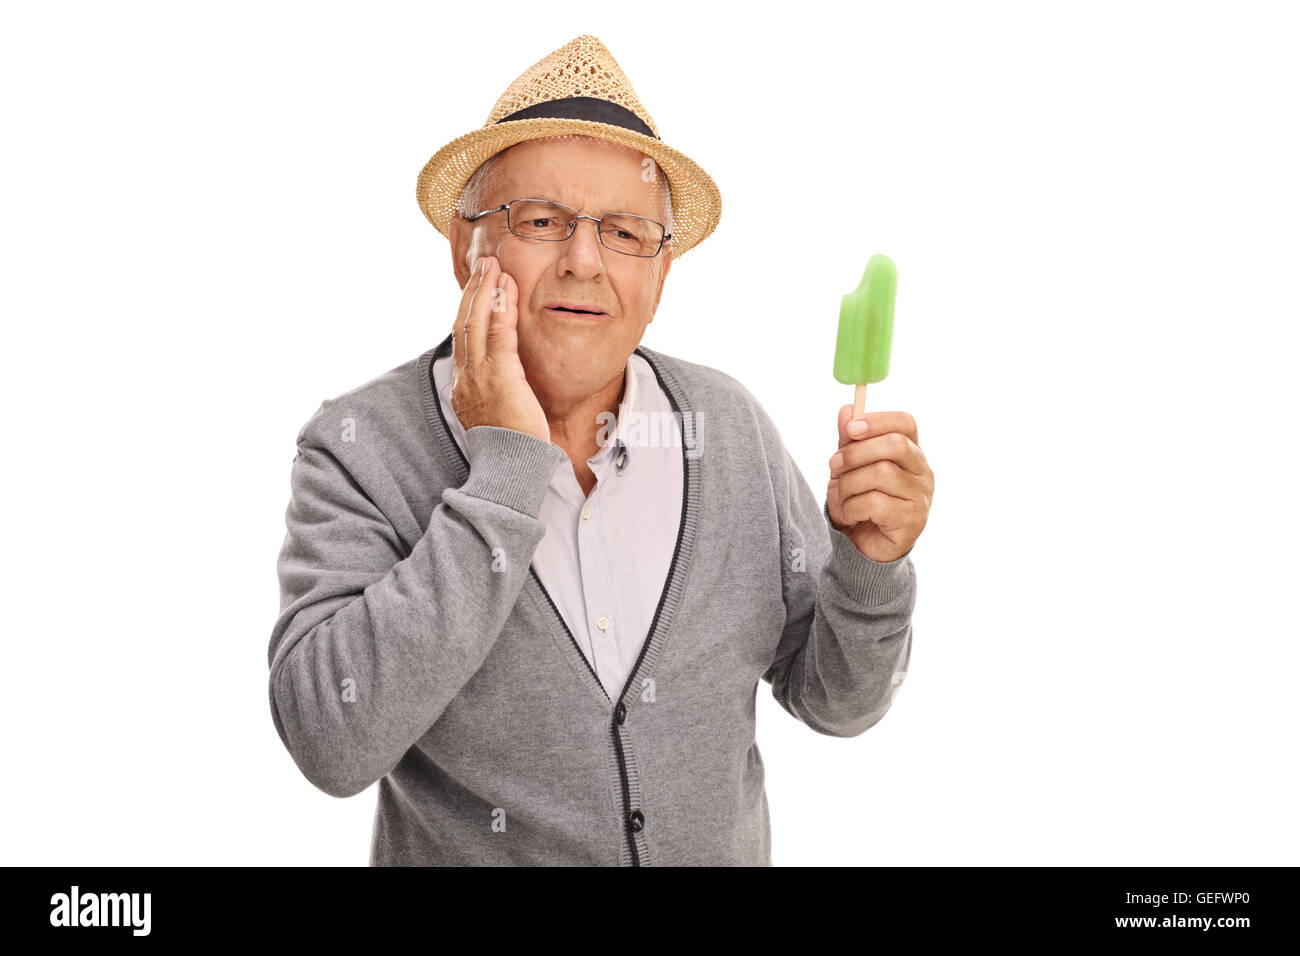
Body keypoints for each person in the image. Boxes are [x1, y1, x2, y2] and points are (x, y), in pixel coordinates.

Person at [268, 34, 934, 866]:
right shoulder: (361, 448)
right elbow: (329, 743)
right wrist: (506, 473)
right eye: (542, 221)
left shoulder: (726, 429)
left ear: (660, 280)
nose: (585, 262)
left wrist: (869, 572)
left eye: (625, 233)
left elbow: (837, 702)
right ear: (464, 247)